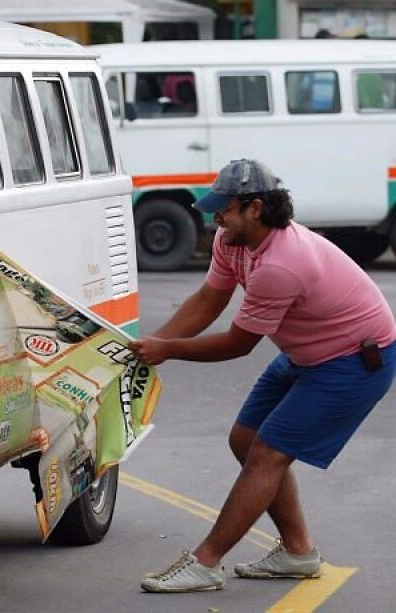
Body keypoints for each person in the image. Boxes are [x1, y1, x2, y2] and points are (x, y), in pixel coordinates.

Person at [129, 159, 396, 593]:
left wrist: (168, 351)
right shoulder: (231, 240)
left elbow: (238, 344)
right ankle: (298, 551)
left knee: (268, 453)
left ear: (255, 209)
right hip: (307, 354)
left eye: (225, 208)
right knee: (245, 438)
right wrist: (150, 347)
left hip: (355, 361)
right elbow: (207, 300)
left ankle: (206, 561)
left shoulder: (281, 264)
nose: (216, 217)